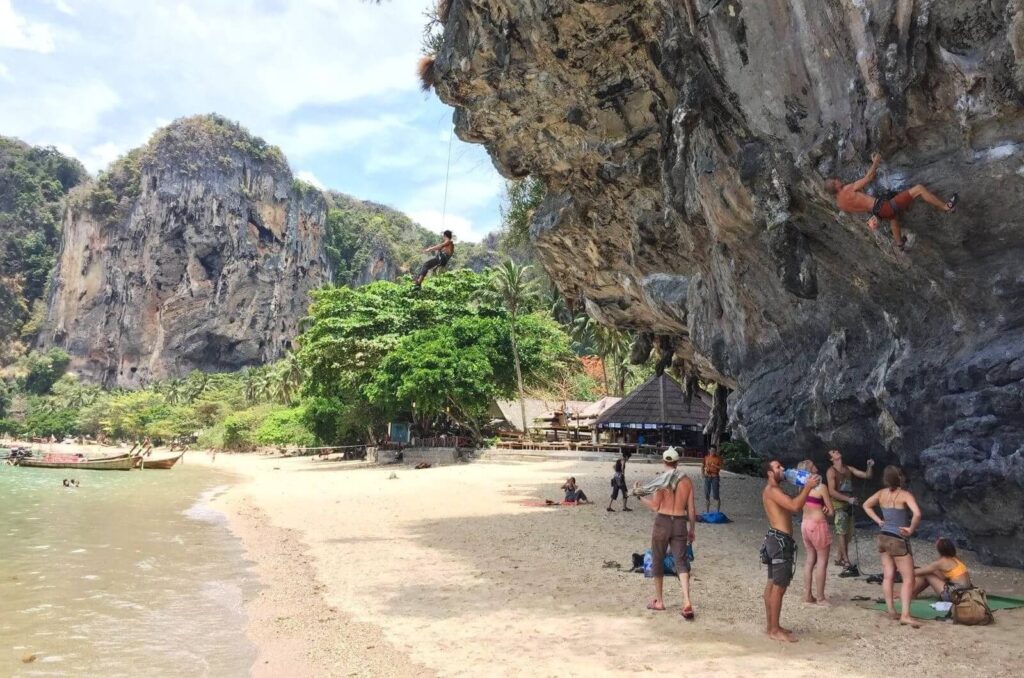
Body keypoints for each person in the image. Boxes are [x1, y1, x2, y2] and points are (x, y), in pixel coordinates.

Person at [825, 152, 958, 252]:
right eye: (835, 180)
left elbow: (857, 203)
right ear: (835, 186)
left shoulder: (840, 204)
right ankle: (946, 207)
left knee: (893, 217)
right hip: (884, 207)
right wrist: (876, 161)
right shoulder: (847, 189)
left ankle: (900, 244)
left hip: (877, 212)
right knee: (919, 189)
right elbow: (869, 177)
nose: (838, 179)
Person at [761, 459, 821, 642]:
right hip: (780, 542)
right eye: (777, 467)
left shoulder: (774, 490)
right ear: (770, 473)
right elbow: (795, 507)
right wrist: (808, 487)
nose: (782, 469)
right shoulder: (772, 491)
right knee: (778, 588)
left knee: (772, 585)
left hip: (775, 539)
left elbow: (793, 504)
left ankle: (773, 626)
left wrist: (803, 487)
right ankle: (773, 630)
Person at [636, 448, 696, 618]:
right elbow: (691, 509)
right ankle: (686, 601)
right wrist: (692, 529)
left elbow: (655, 506)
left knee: (658, 559)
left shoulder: (661, 481)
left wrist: (640, 496)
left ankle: (660, 601)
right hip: (679, 522)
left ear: (664, 462)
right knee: (681, 562)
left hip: (663, 521)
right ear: (678, 462)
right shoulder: (687, 481)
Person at [863, 465, 922, 628]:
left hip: (883, 537)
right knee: (909, 578)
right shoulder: (905, 495)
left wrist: (878, 521)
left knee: (888, 575)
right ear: (899, 477)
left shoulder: (881, 494)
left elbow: (866, 505)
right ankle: (905, 615)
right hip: (897, 538)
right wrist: (911, 529)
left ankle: (890, 610)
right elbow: (917, 513)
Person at [826, 449, 874, 569]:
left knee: (847, 532)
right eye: (833, 452)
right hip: (839, 504)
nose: (836, 451)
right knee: (841, 531)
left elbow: (867, 475)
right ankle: (846, 560)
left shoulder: (848, 468)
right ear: (831, 459)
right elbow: (831, 491)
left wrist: (870, 466)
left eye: (836, 450)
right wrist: (848, 499)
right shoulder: (831, 471)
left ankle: (838, 557)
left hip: (848, 504)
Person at [796, 460, 834, 604]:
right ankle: (820, 597)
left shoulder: (802, 488)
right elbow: (831, 511)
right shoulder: (821, 487)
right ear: (810, 470)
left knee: (810, 560)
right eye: (812, 464)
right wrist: (826, 509)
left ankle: (807, 595)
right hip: (818, 525)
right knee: (822, 562)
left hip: (805, 524)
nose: (815, 465)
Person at [701, 446, 724, 514]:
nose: (712, 452)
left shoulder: (718, 458)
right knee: (707, 494)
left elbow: (721, 467)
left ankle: (717, 511)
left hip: (715, 477)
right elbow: (702, 466)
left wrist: (715, 466)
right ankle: (707, 511)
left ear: (716, 451)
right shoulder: (706, 457)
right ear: (709, 450)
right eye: (711, 450)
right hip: (707, 477)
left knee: (716, 495)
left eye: (714, 450)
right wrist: (702, 474)